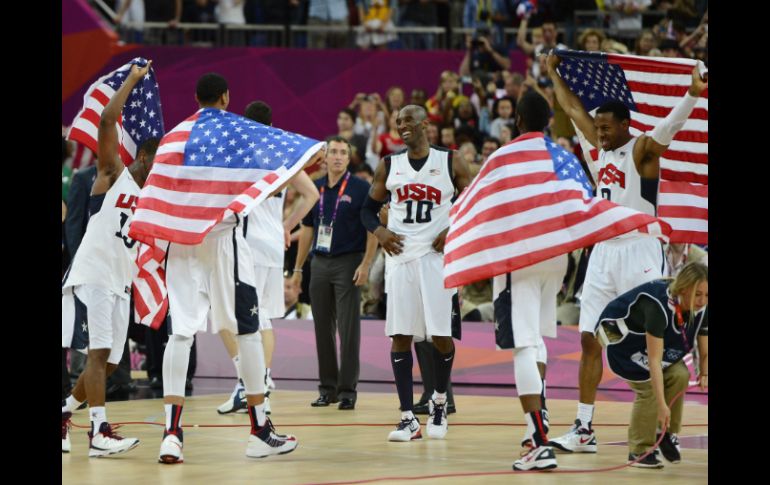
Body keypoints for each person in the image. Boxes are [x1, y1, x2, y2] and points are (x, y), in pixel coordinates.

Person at [544, 53, 708, 453]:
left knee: (655, 340)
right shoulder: (598, 149)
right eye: (596, 127)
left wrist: (690, 95)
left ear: (624, 126)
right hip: (603, 251)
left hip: (640, 250)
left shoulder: (642, 152)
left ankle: (664, 429)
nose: (598, 133)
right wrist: (551, 73)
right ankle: (584, 428)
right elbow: (570, 108)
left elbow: (668, 130)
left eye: (605, 127)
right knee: (588, 339)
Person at [157, 73, 304, 464]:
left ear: (195, 98)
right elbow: (271, 176)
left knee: (180, 334)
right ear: (225, 97)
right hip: (223, 241)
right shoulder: (239, 132)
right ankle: (259, 430)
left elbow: (157, 188)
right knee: (249, 331)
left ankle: (171, 434)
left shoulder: (176, 135)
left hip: (182, 241)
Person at [61, 61, 159, 456]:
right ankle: (98, 433)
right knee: (99, 354)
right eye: (160, 164)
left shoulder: (151, 197)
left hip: (120, 280)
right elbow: (106, 120)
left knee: (113, 363)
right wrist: (132, 82)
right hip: (96, 273)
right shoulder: (111, 173)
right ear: (146, 158)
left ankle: (64, 412)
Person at [361, 104, 471, 441]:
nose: (402, 126)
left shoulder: (451, 161)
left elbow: (475, 200)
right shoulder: (389, 165)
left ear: (425, 123)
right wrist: (380, 234)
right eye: (398, 122)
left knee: (441, 335)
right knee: (400, 336)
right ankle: (408, 417)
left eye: (408, 120)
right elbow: (367, 211)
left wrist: (453, 230)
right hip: (401, 259)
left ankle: (439, 400)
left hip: (437, 260)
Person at [216, 100, 319, 416]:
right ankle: (255, 384)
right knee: (259, 317)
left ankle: (251, 384)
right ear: (271, 125)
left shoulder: (239, 152)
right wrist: (285, 226)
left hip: (245, 244)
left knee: (228, 315)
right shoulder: (282, 153)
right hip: (272, 244)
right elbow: (312, 194)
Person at [490, 91, 568, 471]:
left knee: (523, 344)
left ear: (517, 121)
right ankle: (540, 422)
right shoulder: (562, 155)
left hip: (520, 254)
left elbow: (484, 207)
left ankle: (539, 441)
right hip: (557, 254)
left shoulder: (504, 156)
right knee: (535, 339)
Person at [293, 136, 378, 411]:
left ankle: (347, 390)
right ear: (325, 157)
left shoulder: (361, 187)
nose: (338, 157)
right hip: (319, 262)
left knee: (348, 328)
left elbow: (372, 228)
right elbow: (307, 230)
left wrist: (366, 264)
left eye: (343, 152)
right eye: (333, 152)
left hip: (348, 262)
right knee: (322, 329)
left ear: (349, 157)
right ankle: (327, 388)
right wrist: (297, 269)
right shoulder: (315, 187)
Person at [595, 262, 708, 468]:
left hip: (657, 348)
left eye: (707, 295)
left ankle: (664, 433)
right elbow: (654, 362)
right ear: (684, 289)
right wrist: (663, 405)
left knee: (680, 375)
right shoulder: (658, 306)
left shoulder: (701, 308)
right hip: (626, 346)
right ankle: (639, 451)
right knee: (649, 391)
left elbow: (704, 347)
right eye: (698, 294)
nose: (703, 301)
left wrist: (704, 372)